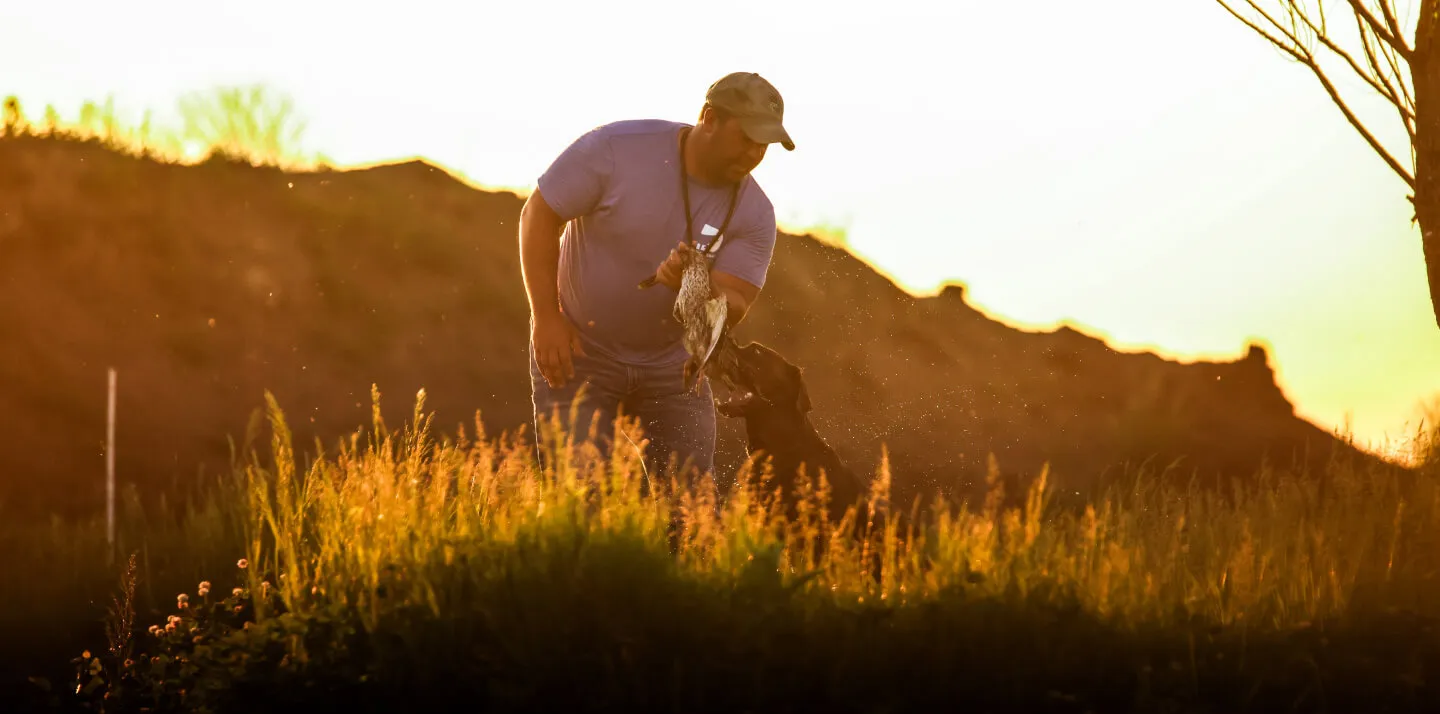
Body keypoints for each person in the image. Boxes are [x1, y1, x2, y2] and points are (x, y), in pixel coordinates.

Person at [518, 71, 794, 486]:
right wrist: (546, 316)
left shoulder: (755, 213)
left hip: (673, 367)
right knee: (580, 498)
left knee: (690, 516)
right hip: (579, 353)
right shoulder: (616, 150)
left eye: (765, 144)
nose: (755, 152)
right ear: (709, 117)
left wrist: (695, 285)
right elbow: (539, 215)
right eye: (747, 137)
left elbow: (733, 306)